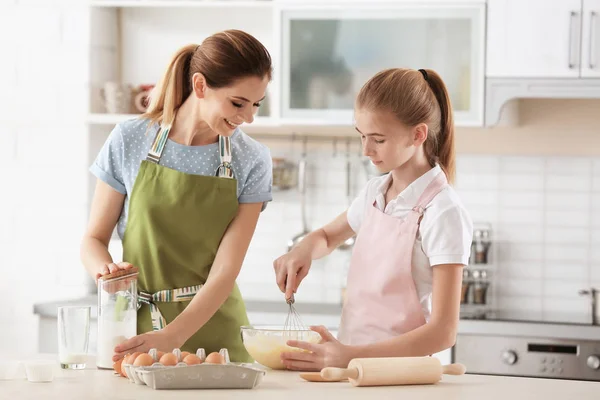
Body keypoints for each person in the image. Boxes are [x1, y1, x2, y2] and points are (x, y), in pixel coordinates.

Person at [81, 30, 274, 363]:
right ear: (200, 86)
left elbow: (225, 271)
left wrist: (173, 335)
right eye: (237, 103)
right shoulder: (130, 139)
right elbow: (93, 240)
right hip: (136, 332)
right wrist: (106, 274)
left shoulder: (251, 159)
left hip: (218, 338)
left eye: (256, 104)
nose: (249, 117)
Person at [273, 68, 473, 371]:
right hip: (354, 370)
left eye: (378, 139)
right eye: (362, 136)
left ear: (418, 135)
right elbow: (327, 238)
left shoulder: (442, 212)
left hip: (404, 376)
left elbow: (444, 332)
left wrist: (351, 356)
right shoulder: (375, 193)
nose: (366, 149)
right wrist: (302, 250)